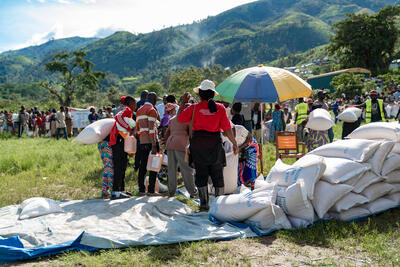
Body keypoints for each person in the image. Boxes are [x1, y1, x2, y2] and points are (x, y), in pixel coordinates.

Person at [178, 79, 238, 211]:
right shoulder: (220, 108)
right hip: (215, 145)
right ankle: (218, 206)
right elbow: (227, 129)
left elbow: (180, 119)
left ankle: (204, 204)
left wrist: (182, 103)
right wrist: (235, 144)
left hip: (198, 146)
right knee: (217, 174)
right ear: (213, 94)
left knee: (201, 174)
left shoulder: (193, 108)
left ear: (199, 94)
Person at [164, 104, 197, 198]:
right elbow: (191, 135)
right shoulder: (188, 120)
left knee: (171, 169)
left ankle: (171, 192)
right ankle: (193, 192)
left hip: (170, 144)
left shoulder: (172, 119)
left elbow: (167, 134)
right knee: (186, 169)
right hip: (181, 144)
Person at [109, 96, 137, 200]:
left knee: (123, 165)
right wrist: (129, 128)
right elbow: (118, 117)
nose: (136, 106)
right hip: (118, 141)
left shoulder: (128, 111)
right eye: (135, 103)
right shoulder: (126, 109)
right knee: (119, 166)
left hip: (122, 141)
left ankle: (121, 189)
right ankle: (116, 191)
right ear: (129, 103)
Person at [136, 92, 162, 197]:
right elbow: (152, 129)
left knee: (142, 166)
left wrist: (142, 138)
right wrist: (154, 144)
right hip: (151, 142)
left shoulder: (139, 110)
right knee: (153, 166)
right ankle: (151, 190)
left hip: (142, 141)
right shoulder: (152, 110)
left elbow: (137, 128)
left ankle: (141, 190)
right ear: (154, 100)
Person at [222, 123, 257, 188]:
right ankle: (241, 184)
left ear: (231, 129)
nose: (225, 134)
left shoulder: (239, 128)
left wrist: (240, 148)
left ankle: (253, 183)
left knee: (250, 164)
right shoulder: (224, 135)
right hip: (239, 149)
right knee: (238, 165)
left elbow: (250, 138)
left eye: (226, 132)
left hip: (250, 145)